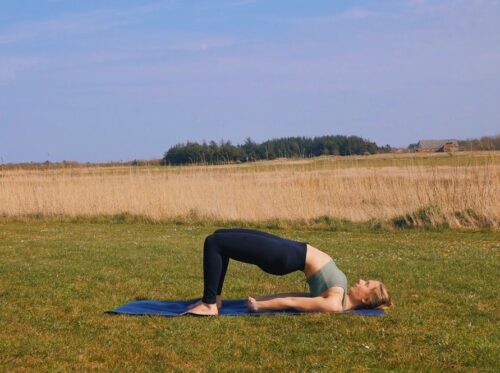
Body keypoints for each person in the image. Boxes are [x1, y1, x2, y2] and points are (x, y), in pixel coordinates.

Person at [187, 228, 392, 316]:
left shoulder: (334, 303)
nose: (362, 280)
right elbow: (297, 295)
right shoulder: (340, 294)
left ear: (365, 299)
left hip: (283, 257)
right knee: (220, 235)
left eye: (367, 285)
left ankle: (209, 304)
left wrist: (260, 306)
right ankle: (216, 299)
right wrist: (261, 299)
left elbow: (293, 303)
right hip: (290, 250)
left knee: (214, 243)